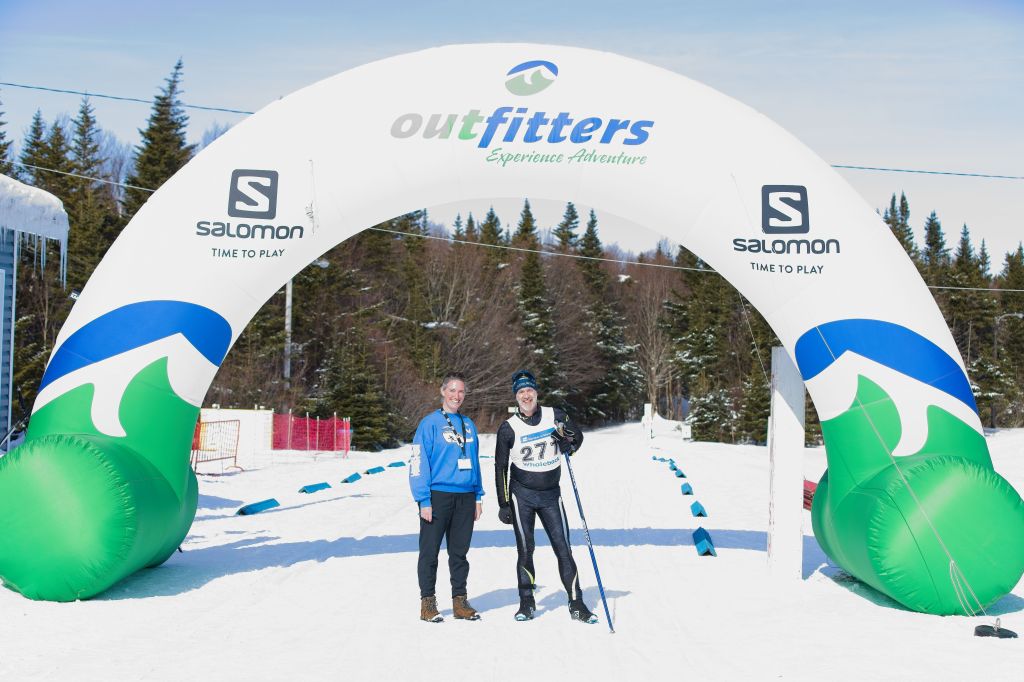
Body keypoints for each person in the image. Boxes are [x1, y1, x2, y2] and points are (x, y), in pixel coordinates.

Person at [494, 369, 598, 624]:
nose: (526, 396)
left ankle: (577, 603)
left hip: (551, 495)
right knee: (525, 549)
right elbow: (500, 468)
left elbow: (577, 437)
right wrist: (504, 503)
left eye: (529, 390)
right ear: (516, 397)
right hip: (522, 496)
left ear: (536, 392)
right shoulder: (508, 428)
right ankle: (526, 603)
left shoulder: (556, 416)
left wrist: (568, 445)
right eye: (521, 392)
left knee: (563, 547)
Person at [409, 372, 484, 623]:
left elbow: (474, 462)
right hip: (437, 496)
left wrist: (478, 496)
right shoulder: (429, 423)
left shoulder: (468, 424)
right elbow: (418, 462)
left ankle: (460, 602)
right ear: (443, 391)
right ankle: (428, 603)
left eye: (461, 391)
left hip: (465, 497)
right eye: (452, 390)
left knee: (459, 554)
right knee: (429, 552)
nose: (456, 395)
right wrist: (423, 500)